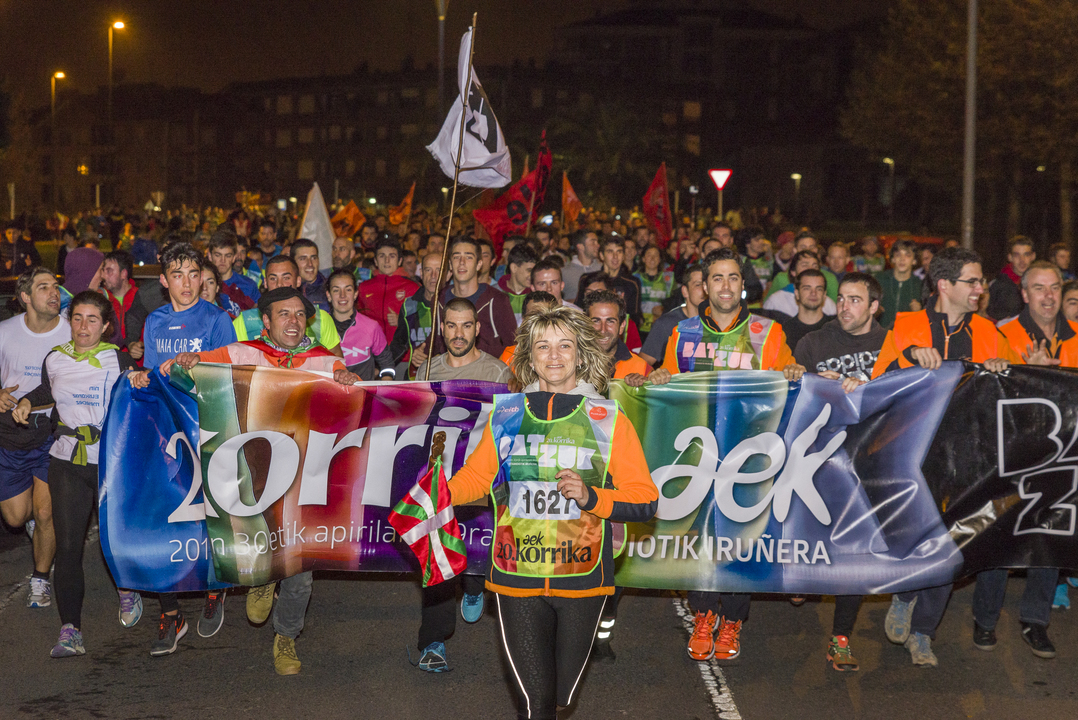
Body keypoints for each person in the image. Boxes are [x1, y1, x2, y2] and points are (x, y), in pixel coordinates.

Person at [445, 305, 658, 719]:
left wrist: (592, 497)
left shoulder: (607, 419)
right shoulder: (507, 414)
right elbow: (477, 477)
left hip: (581, 577)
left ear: (580, 354)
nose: (554, 355)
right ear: (529, 356)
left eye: (565, 345)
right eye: (543, 346)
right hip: (516, 573)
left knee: (561, 696)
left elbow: (645, 499)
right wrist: (438, 492)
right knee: (536, 703)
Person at [157, 287, 361, 675]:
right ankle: (264, 580)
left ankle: (286, 637)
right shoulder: (242, 352)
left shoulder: (322, 360)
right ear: (265, 320)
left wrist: (346, 379)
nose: (293, 321)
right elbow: (195, 370)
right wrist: (185, 362)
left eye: (299, 315)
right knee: (262, 545)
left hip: (305, 481)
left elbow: (349, 389)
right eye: (284, 314)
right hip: (252, 482)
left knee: (300, 572)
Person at [871, 246, 1029, 667]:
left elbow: (1017, 386)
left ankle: (924, 632)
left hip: (969, 455)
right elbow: (877, 384)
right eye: (972, 281)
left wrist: (1003, 368)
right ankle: (905, 594)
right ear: (944, 284)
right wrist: (908, 357)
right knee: (919, 536)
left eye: (981, 281)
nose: (980, 289)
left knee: (952, 542)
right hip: (915, 453)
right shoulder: (906, 325)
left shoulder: (990, 331)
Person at [651, 248, 804, 662]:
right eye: (716, 278)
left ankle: (733, 619)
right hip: (698, 456)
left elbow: (789, 380)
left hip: (749, 457)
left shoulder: (767, 332)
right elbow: (669, 385)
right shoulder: (683, 332)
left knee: (740, 540)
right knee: (700, 539)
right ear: (704, 286)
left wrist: (793, 372)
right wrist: (660, 376)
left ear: (743, 284)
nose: (725, 285)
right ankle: (703, 614)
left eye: (733, 277)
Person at [12, 292, 136, 658]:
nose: (83, 326)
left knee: (117, 539)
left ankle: (127, 587)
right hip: (66, 461)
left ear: (106, 325)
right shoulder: (55, 358)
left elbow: (141, 396)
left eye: (92, 319)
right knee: (68, 547)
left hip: (111, 461)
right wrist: (26, 401)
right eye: (77, 318)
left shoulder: (119, 359)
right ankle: (70, 631)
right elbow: (46, 389)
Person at [129, 241, 237, 655]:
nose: (187, 283)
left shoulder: (217, 319)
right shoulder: (154, 321)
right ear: (163, 280)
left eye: (194, 274)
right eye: (178, 275)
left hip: (209, 429)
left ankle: (214, 587)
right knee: (164, 519)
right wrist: (142, 377)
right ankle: (171, 614)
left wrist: (201, 363)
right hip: (168, 433)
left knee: (210, 517)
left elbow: (232, 376)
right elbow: (154, 377)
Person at [790, 273, 888, 671]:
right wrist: (810, 380)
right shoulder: (814, 342)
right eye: (842, 298)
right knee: (809, 538)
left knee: (855, 548)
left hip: (870, 461)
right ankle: (802, 580)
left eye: (855, 300)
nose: (844, 306)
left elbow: (906, 393)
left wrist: (868, 385)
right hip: (817, 459)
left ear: (874, 306)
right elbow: (791, 393)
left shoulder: (891, 344)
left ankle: (841, 637)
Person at [982, 260, 1078, 658]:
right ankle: (985, 618)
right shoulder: (1001, 334)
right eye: (1039, 288)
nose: (1048, 296)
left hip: (1064, 457)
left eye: (1054, 287)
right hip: (1012, 456)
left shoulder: (1076, 337)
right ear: (1024, 293)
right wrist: (1027, 374)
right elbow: (984, 392)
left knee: (1052, 535)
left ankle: (1035, 620)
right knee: (1001, 534)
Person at [411, 297, 512, 672]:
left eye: (466, 325)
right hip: (439, 477)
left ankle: (473, 584)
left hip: (480, 479)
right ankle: (433, 641)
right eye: (451, 325)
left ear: (477, 328)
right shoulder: (426, 370)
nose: (458, 333)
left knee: (475, 551)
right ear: (442, 328)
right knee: (436, 555)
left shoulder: (498, 372)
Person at [0, 268, 68, 611]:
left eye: (55, 287)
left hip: (51, 434)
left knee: (45, 511)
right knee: (15, 517)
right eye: (44, 288)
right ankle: (34, 524)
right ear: (25, 297)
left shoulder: (71, 332)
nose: (54, 293)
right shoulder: (5, 332)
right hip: (10, 435)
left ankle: (40, 578)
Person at [233, 255, 342, 354]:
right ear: (265, 283)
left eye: (286, 278)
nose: (279, 284)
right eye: (273, 278)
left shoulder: (320, 319)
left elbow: (336, 363)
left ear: (298, 281)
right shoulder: (244, 322)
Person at [431, 237, 517, 359]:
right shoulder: (439, 299)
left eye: (468, 257)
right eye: (456, 257)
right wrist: (422, 352)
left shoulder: (496, 300)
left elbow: (513, 346)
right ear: (450, 264)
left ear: (479, 264)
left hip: (487, 369)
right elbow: (435, 342)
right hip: (450, 369)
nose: (462, 262)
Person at [326, 270, 395, 380]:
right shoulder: (320, 328)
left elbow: (387, 364)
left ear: (355, 294)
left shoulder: (371, 327)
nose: (342, 295)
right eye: (336, 290)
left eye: (348, 289)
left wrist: (385, 384)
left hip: (363, 390)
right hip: (330, 390)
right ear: (328, 295)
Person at [638, 263, 706, 367]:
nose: (704, 289)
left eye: (707, 284)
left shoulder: (719, 322)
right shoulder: (667, 323)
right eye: (698, 285)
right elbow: (642, 366)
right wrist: (656, 374)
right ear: (685, 291)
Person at [357, 238, 420, 344]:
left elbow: (422, 321)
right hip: (372, 349)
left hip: (402, 350)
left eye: (392, 256)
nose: (387, 261)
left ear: (399, 261)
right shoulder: (364, 288)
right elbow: (358, 320)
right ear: (376, 261)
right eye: (382, 256)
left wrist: (402, 321)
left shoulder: (412, 288)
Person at [392, 252, 442, 378]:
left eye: (439, 270)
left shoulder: (457, 306)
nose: (433, 276)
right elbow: (399, 344)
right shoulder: (409, 305)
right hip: (415, 379)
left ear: (448, 274)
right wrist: (380, 367)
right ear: (421, 273)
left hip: (445, 380)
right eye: (428, 270)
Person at [582, 290, 652, 379]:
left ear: (622, 326)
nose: (603, 330)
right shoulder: (572, 363)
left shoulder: (641, 369)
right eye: (596, 321)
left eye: (610, 321)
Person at [763, 250, 837, 318]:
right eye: (805, 265)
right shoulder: (776, 301)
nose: (810, 269)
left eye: (815, 266)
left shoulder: (828, 304)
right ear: (793, 272)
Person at [775, 269, 832, 351]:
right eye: (807, 288)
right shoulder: (784, 333)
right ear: (797, 294)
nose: (813, 293)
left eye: (819, 289)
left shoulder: (836, 328)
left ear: (824, 295)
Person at [875, 239, 925, 329]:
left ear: (914, 260)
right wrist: (875, 311)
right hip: (880, 334)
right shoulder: (879, 279)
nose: (902, 259)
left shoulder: (920, 285)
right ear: (893, 259)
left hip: (906, 335)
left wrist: (918, 312)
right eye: (898, 255)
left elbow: (926, 321)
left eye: (907, 255)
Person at [987, 235, 1036, 322]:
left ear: (1033, 256)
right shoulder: (997, 286)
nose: (1022, 260)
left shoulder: (1040, 283)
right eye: (1017, 255)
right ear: (1010, 257)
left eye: (1026, 255)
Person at [208, 230, 260, 309]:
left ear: (234, 258)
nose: (223, 260)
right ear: (210, 256)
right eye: (218, 255)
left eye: (228, 256)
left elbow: (258, 314)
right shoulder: (202, 286)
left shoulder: (248, 285)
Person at [100, 250, 138, 346]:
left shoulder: (141, 298)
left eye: (109, 271)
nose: (103, 276)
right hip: (108, 354)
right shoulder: (101, 298)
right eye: (103, 270)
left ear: (123, 274)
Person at [635, 245, 675, 334]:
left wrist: (663, 310)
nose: (652, 258)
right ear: (643, 259)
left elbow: (675, 303)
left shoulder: (669, 279)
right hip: (639, 328)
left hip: (661, 328)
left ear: (660, 259)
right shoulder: (635, 278)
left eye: (656, 255)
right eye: (649, 255)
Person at [497, 243, 539, 322]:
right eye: (529, 270)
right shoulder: (494, 293)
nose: (533, 275)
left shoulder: (537, 295)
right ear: (514, 268)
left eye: (534, 271)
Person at [562, 230, 601, 303]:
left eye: (597, 242)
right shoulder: (565, 272)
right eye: (593, 242)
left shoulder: (601, 268)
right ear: (580, 247)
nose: (598, 245)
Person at [291, 238, 330, 312]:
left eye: (313, 258)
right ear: (292, 262)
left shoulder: (330, 289)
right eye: (303, 259)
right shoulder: (286, 290)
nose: (310, 264)